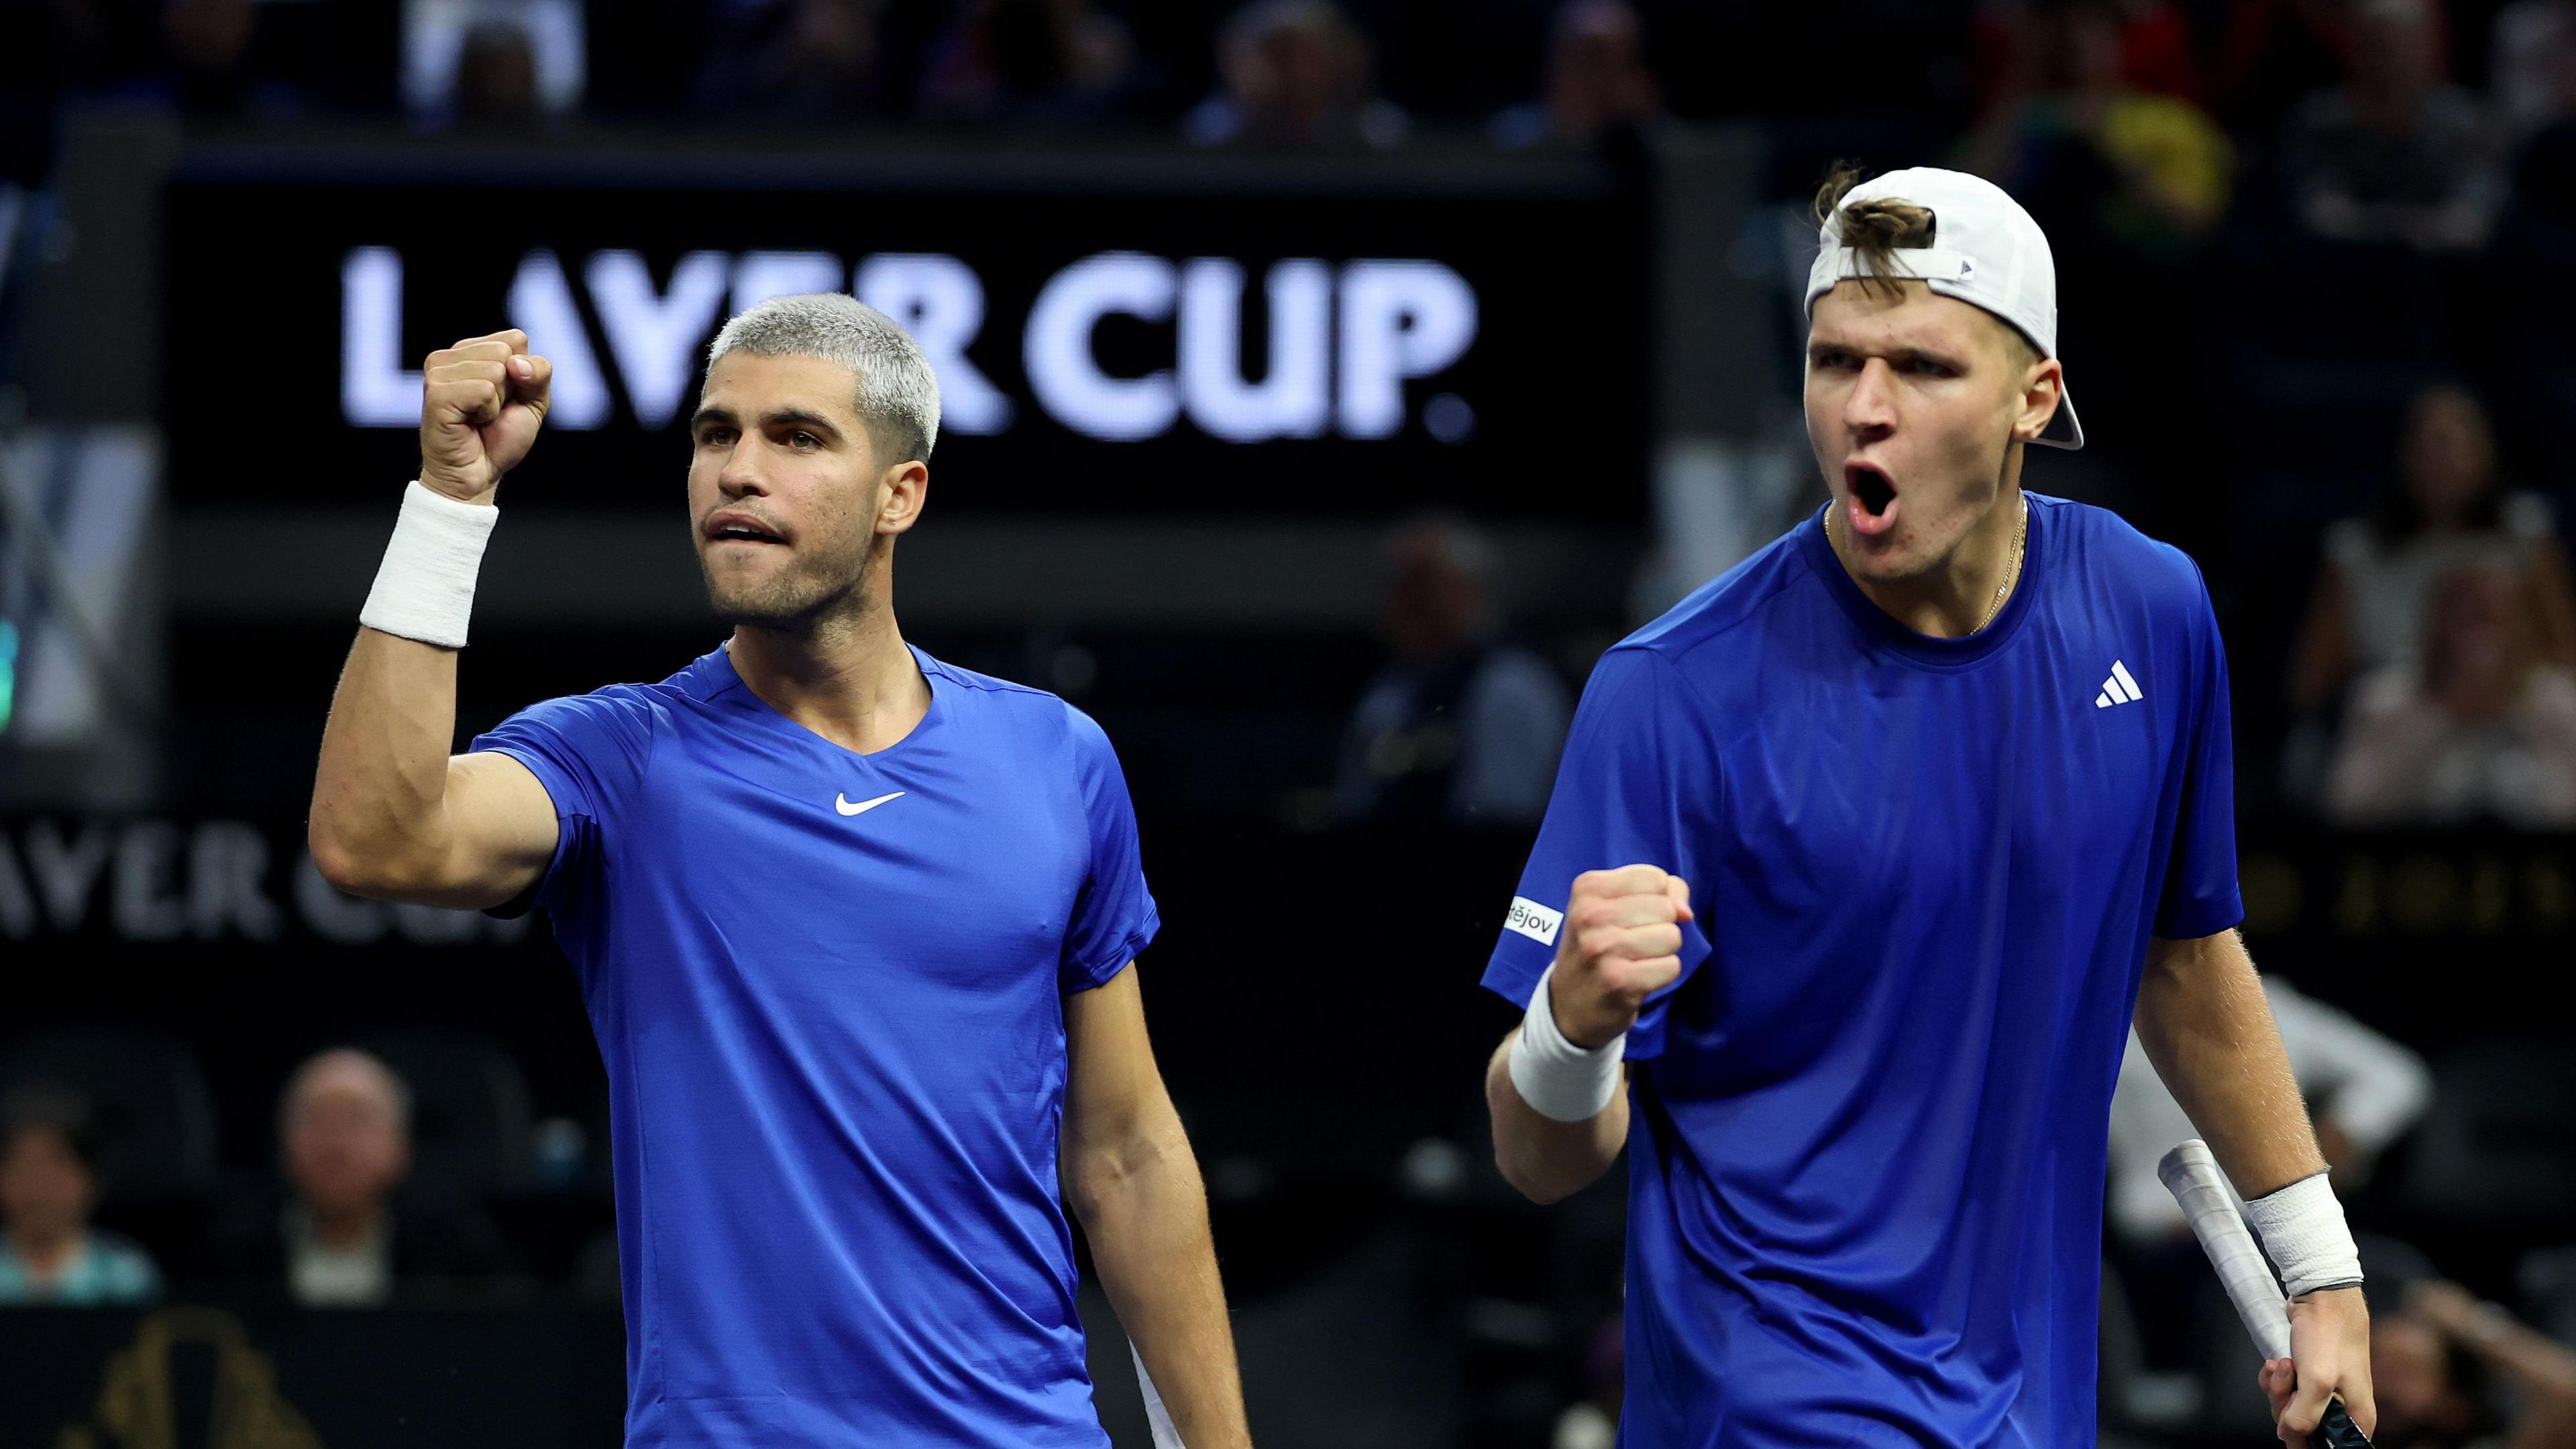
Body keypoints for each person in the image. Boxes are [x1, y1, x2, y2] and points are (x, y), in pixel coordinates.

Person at [1477, 165, 2377, 1446]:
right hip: (1770, 1408)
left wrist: (2322, 1271)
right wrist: (1572, 1030)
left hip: (2030, 1403)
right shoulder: (1671, 693)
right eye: (1835, 361)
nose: (1866, 408)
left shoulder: (2151, 611)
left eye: (1922, 368)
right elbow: (1535, 1158)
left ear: (2034, 398)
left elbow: (2183, 961)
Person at [306, 295, 1251, 1446]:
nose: (738, 471)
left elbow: (1127, 1154)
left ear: (900, 495)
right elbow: (374, 840)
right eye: (716, 434)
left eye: (797, 438)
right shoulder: (624, 759)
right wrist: (451, 500)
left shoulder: (1056, 757)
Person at [2290, 382, 2576, 719]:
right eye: (2429, 446)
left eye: (2457, 444)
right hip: (2393, 724)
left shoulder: (2524, 532)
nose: (2442, 460)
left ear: (2487, 450)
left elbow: (2566, 657)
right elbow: (2310, 686)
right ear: (2403, 455)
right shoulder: (2355, 550)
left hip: (2508, 722)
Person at [202, 1048, 511, 1307]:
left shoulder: (456, 1248)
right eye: (317, 1120)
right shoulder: (234, 1247)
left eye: (357, 1121)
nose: (335, 1144)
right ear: (283, 1141)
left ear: (400, 1145)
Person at [1328, 515, 1572, 828]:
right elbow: (1354, 801)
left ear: (1471, 591)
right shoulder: (1390, 691)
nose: (1403, 603)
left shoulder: (1510, 686)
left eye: (1421, 586)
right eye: (1394, 585)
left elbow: (1504, 817)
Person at [2323, 561, 2576, 826]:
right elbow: (2349, 806)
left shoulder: (2558, 700)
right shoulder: (2384, 700)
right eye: (2470, 617)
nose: (2481, 637)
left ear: (2523, 625)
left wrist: (2516, 711)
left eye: (2494, 618)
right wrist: (2447, 712)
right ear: (2438, 622)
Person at [0, 1083, 160, 1305]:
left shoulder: (124, 1273)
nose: (37, 1187)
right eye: (21, 1167)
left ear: (90, 1179)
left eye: (56, 1167)